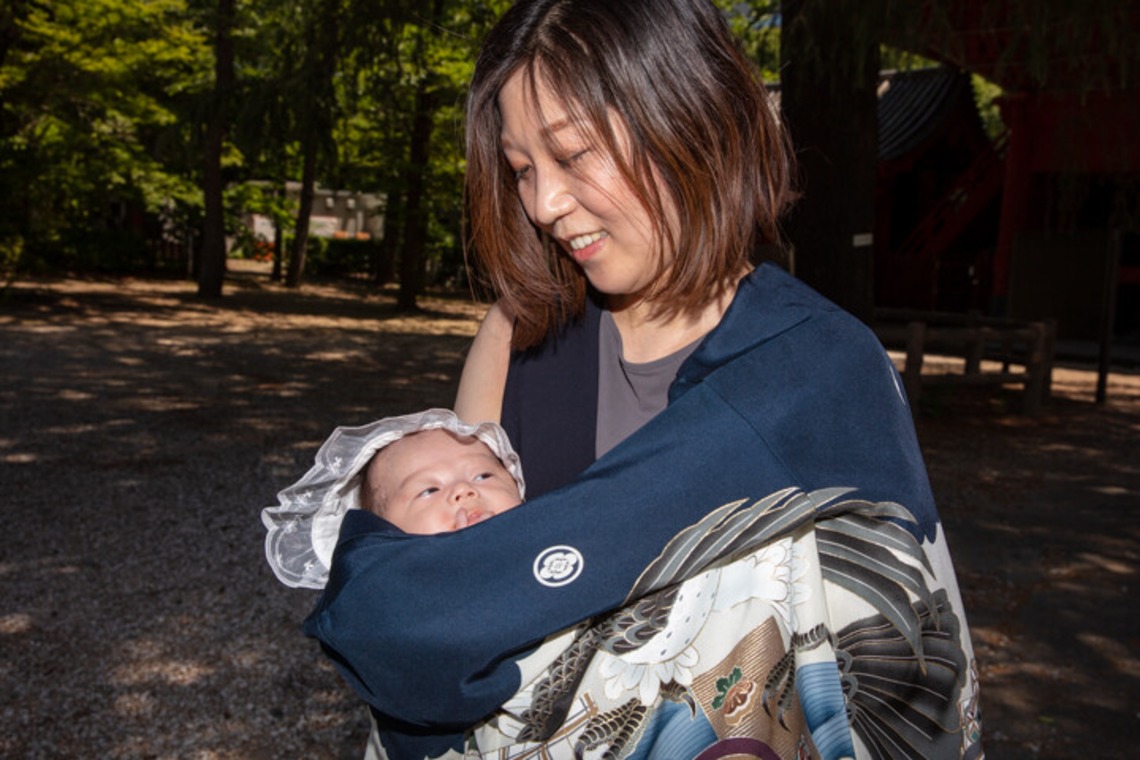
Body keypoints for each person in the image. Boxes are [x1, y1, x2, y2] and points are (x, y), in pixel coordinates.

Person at [268, 1, 984, 758]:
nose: (543, 204)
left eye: (573, 155)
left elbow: (909, 677)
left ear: (689, 118)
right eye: (521, 170)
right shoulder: (520, 335)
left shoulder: (819, 371)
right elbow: (442, 601)